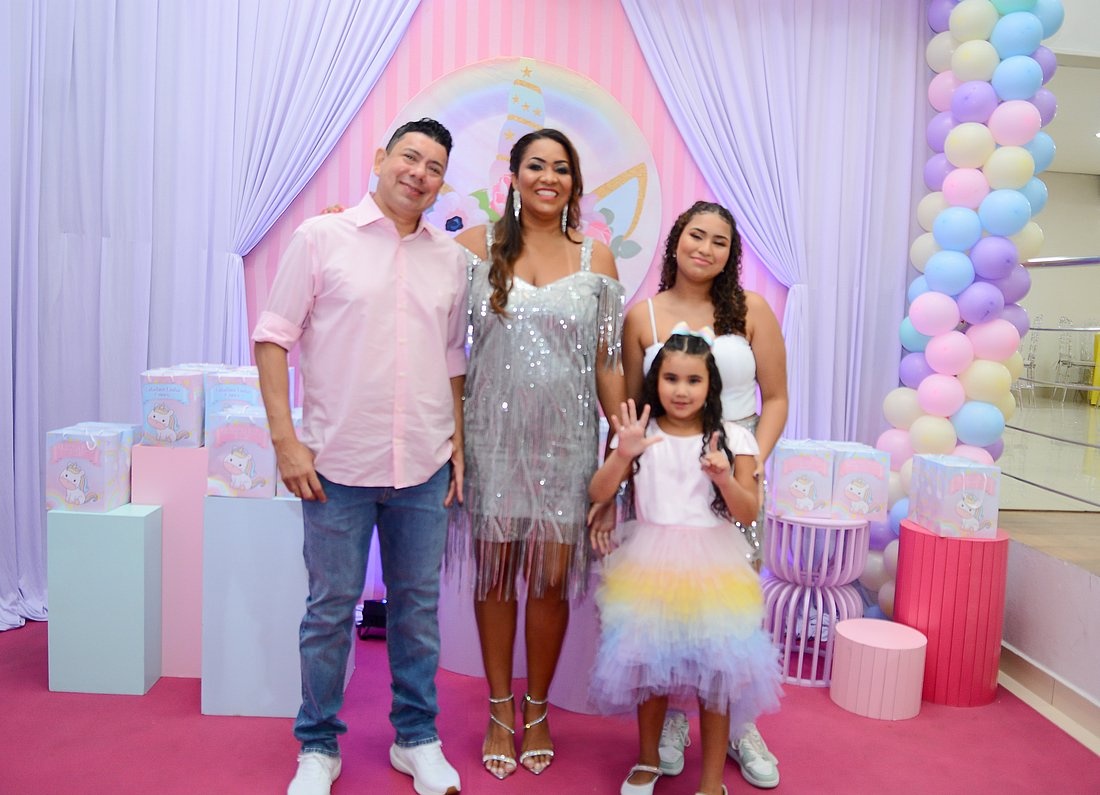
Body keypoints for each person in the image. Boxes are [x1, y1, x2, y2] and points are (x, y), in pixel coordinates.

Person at [254, 118, 468, 795]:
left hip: (424, 463)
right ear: (380, 158)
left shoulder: (451, 259)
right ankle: (318, 745)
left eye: (434, 166)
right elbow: (272, 338)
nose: (419, 173)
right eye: (410, 156)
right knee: (329, 610)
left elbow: (452, 358)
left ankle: (417, 738)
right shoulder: (321, 238)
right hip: (335, 463)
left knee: (417, 610)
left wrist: (459, 445)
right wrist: (286, 441)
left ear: (442, 182)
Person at [452, 128, 625, 780]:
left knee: (551, 581)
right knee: (496, 577)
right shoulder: (474, 247)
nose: (548, 177)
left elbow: (608, 364)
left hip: (568, 444)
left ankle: (539, 706)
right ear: (515, 177)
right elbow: (420, 302)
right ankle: (501, 708)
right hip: (491, 441)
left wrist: (623, 443)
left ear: (574, 183)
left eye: (561, 168)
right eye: (536, 166)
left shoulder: (597, 259)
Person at [620, 201, 788, 789]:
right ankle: (671, 720)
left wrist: (750, 461)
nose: (706, 248)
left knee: (728, 620)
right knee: (665, 611)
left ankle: (739, 727)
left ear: (731, 254)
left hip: (733, 469)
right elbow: (634, 407)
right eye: (697, 235)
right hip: (667, 477)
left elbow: (777, 397)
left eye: (720, 241)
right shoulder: (642, 315)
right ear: (676, 240)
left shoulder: (752, 310)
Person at [588, 332, 782, 795]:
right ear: (656, 381)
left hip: (715, 568)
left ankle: (711, 782)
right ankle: (647, 760)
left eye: (693, 380)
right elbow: (599, 492)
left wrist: (724, 479)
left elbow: (748, 512)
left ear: (710, 384)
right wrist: (623, 453)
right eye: (671, 378)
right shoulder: (639, 434)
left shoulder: (734, 437)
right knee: (650, 667)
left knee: (717, 675)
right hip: (649, 565)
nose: (681, 390)